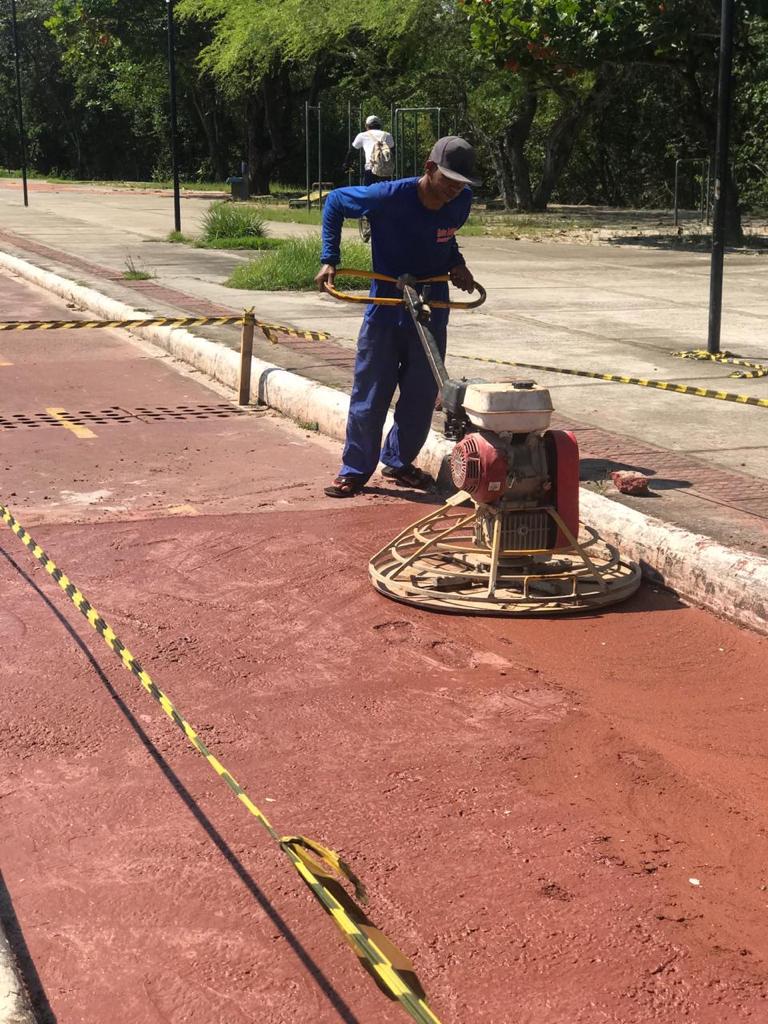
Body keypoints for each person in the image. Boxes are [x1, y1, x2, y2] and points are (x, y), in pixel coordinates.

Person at [315, 136, 480, 498]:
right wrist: (330, 258)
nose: (455, 190)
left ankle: (400, 460)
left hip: (432, 302)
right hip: (389, 300)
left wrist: (456, 263)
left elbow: (443, 236)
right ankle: (355, 470)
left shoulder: (461, 203)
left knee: (421, 393)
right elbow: (335, 202)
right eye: (448, 180)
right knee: (371, 390)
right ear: (429, 168)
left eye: (462, 184)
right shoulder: (388, 196)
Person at [344, 115, 395, 185]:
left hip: (370, 168)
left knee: (369, 193)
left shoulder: (362, 135)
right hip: (385, 170)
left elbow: (352, 152)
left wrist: (347, 165)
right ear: (379, 125)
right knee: (385, 193)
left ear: (367, 125)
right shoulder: (387, 135)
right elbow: (392, 152)